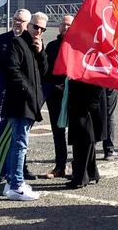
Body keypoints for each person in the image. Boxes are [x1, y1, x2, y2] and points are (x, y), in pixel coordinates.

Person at [0, 8, 37, 181]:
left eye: (20, 20)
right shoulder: (2, 40)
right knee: (1, 134)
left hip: (23, 98)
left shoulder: (32, 42)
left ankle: (21, 169)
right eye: (15, 19)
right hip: (4, 96)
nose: (16, 22)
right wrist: (0, 80)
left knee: (21, 136)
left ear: (28, 24)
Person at [2, 12, 48, 201]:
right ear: (28, 26)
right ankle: (16, 185)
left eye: (42, 29)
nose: (38, 31)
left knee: (17, 143)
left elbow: (44, 72)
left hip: (28, 104)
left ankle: (12, 182)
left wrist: (41, 52)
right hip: (20, 103)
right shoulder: (17, 43)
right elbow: (12, 71)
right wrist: (29, 92)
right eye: (36, 27)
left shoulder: (33, 46)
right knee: (20, 144)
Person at [43, 14, 72, 179]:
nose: (65, 27)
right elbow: (46, 70)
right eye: (63, 24)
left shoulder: (78, 45)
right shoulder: (52, 46)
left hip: (73, 94)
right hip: (55, 94)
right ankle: (60, 166)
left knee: (76, 132)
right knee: (58, 131)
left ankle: (78, 166)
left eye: (68, 25)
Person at [66, 71, 104, 188]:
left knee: (82, 139)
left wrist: (91, 105)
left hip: (85, 100)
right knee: (87, 138)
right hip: (86, 97)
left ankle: (80, 177)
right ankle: (91, 172)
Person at [100, 88, 118, 160]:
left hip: (94, 82)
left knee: (94, 113)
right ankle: (109, 150)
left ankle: (89, 149)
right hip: (109, 82)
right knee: (109, 115)